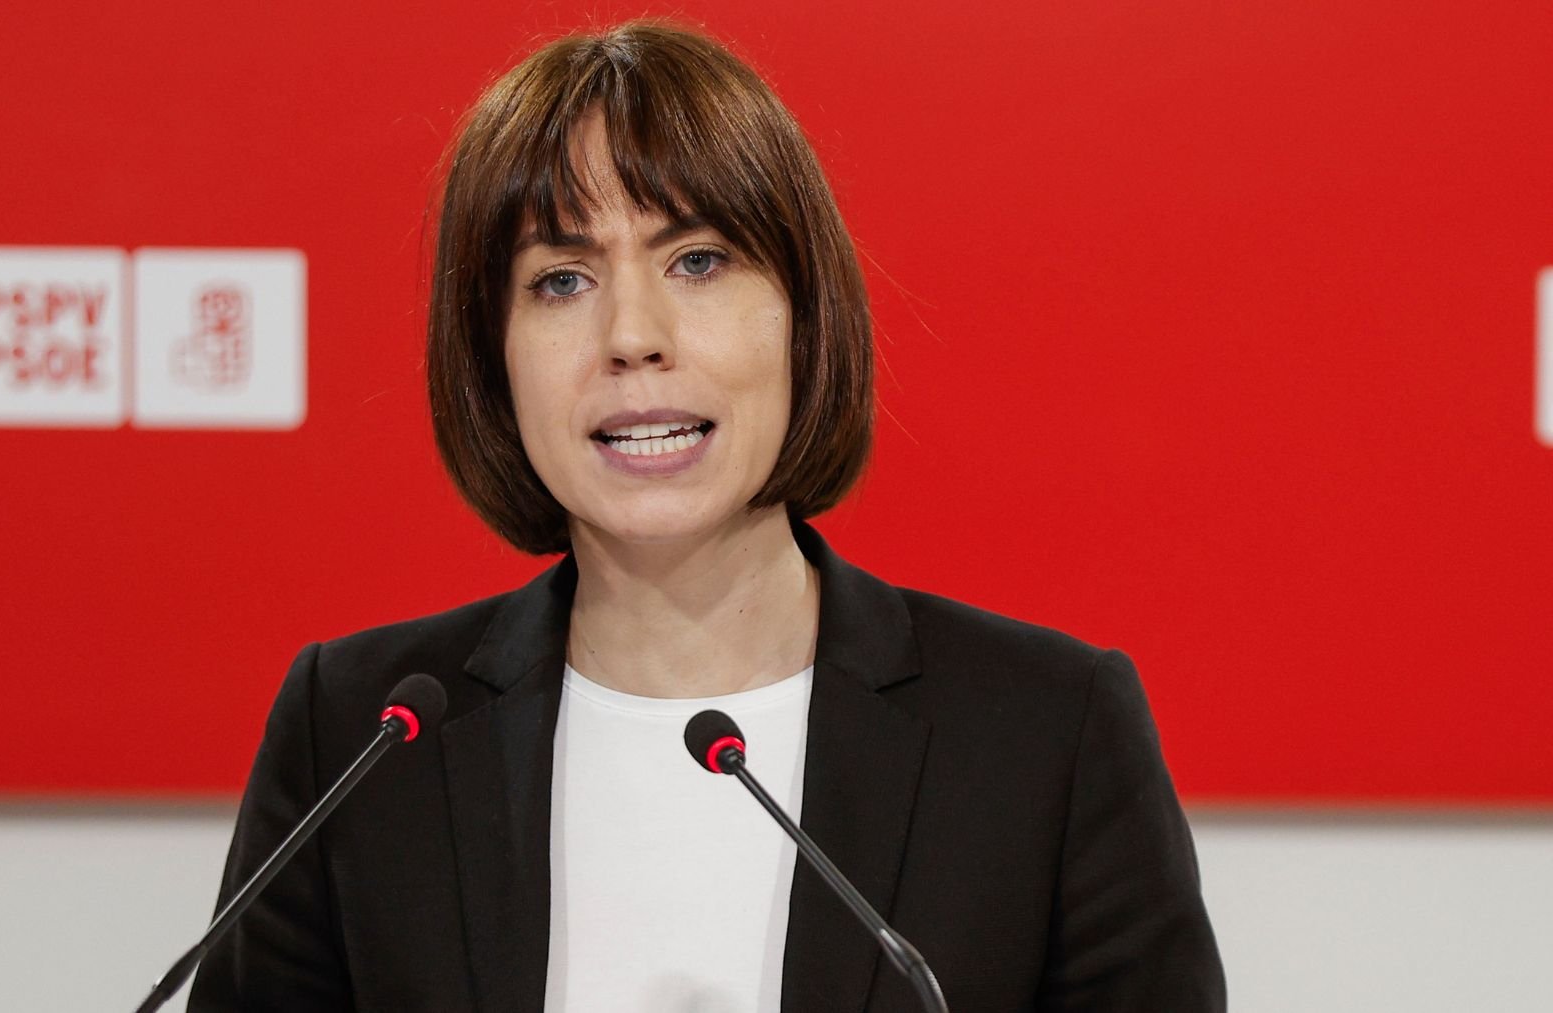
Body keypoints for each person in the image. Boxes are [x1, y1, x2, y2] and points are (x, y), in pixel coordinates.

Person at [189, 19, 1225, 1013]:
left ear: (803, 317)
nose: (632, 335)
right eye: (560, 279)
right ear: (492, 358)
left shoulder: (1048, 733)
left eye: (698, 260)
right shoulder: (362, 733)